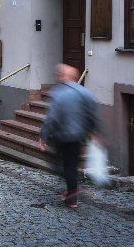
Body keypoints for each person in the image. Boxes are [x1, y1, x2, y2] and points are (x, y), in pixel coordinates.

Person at [38, 64, 100, 208]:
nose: (58, 74)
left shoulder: (59, 92)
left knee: (60, 164)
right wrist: (93, 131)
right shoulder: (84, 92)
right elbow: (91, 114)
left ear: (65, 76)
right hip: (77, 136)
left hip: (62, 136)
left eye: (59, 73)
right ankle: (72, 193)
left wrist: (43, 136)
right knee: (70, 166)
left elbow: (51, 118)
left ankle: (71, 196)